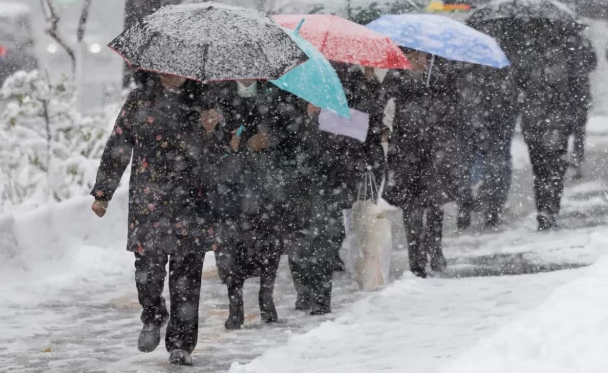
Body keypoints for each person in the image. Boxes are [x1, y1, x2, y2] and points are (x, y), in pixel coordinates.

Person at [90, 71, 211, 367]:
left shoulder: (205, 100)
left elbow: (225, 150)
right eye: (167, 70)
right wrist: (103, 192)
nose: (173, 76)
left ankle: (181, 344)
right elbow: (119, 145)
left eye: (180, 71)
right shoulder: (140, 99)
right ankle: (153, 314)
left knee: (187, 276)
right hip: (150, 199)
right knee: (148, 269)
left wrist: (215, 129)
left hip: (192, 199)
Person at [289, 64, 388, 315]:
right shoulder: (294, 80)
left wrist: (328, 118)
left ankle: (321, 296)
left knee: (324, 235)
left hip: (332, 173)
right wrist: (306, 115)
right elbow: (280, 127)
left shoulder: (349, 78)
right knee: (299, 238)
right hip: (296, 174)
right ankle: (305, 291)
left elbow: (362, 121)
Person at [202, 79, 289, 330]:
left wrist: (269, 138)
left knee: (269, 242)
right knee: (232, 245)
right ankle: (235, 303)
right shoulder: (217, 93)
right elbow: (206, 134)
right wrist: (226, 145)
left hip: (266, 183)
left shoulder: (274, 92)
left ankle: (266, 296)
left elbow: (289, 129)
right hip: (230, 184)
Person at [383, 51, 465, 276]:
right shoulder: (397, 76)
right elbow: (383, 106)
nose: (419, 60)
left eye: (422, 56)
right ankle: (416, 261)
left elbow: (456, 108)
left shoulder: (442, 74)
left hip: (434, 151)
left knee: (434, 204)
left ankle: (435, 247)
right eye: (413, 56)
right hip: (406, 151)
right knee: (411, 208)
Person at [518, 25, 596, 231]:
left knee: (541, 168)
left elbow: (518, 84)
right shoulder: (569, 51)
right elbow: (579, 82)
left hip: (535, 120)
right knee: (555, 166)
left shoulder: (527, 52)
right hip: (557, 119)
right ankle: (550, 207)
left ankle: (544, 208)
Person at [457, 64, 520, 229]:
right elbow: (507, 98)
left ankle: (468, 206)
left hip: (476, 123)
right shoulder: (498, 69)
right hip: (490, 124)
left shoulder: (462, 70)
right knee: (496, 166)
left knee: (468, 164)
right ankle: (491, 209)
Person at [566, 34, 597, 177]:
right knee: (579, 129)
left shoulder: (556, 42)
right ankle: (577, 158)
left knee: (565, 128)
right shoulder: (584, 41)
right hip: (580, 90)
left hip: (562, 92)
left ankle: (566, 159)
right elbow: (593, 64)